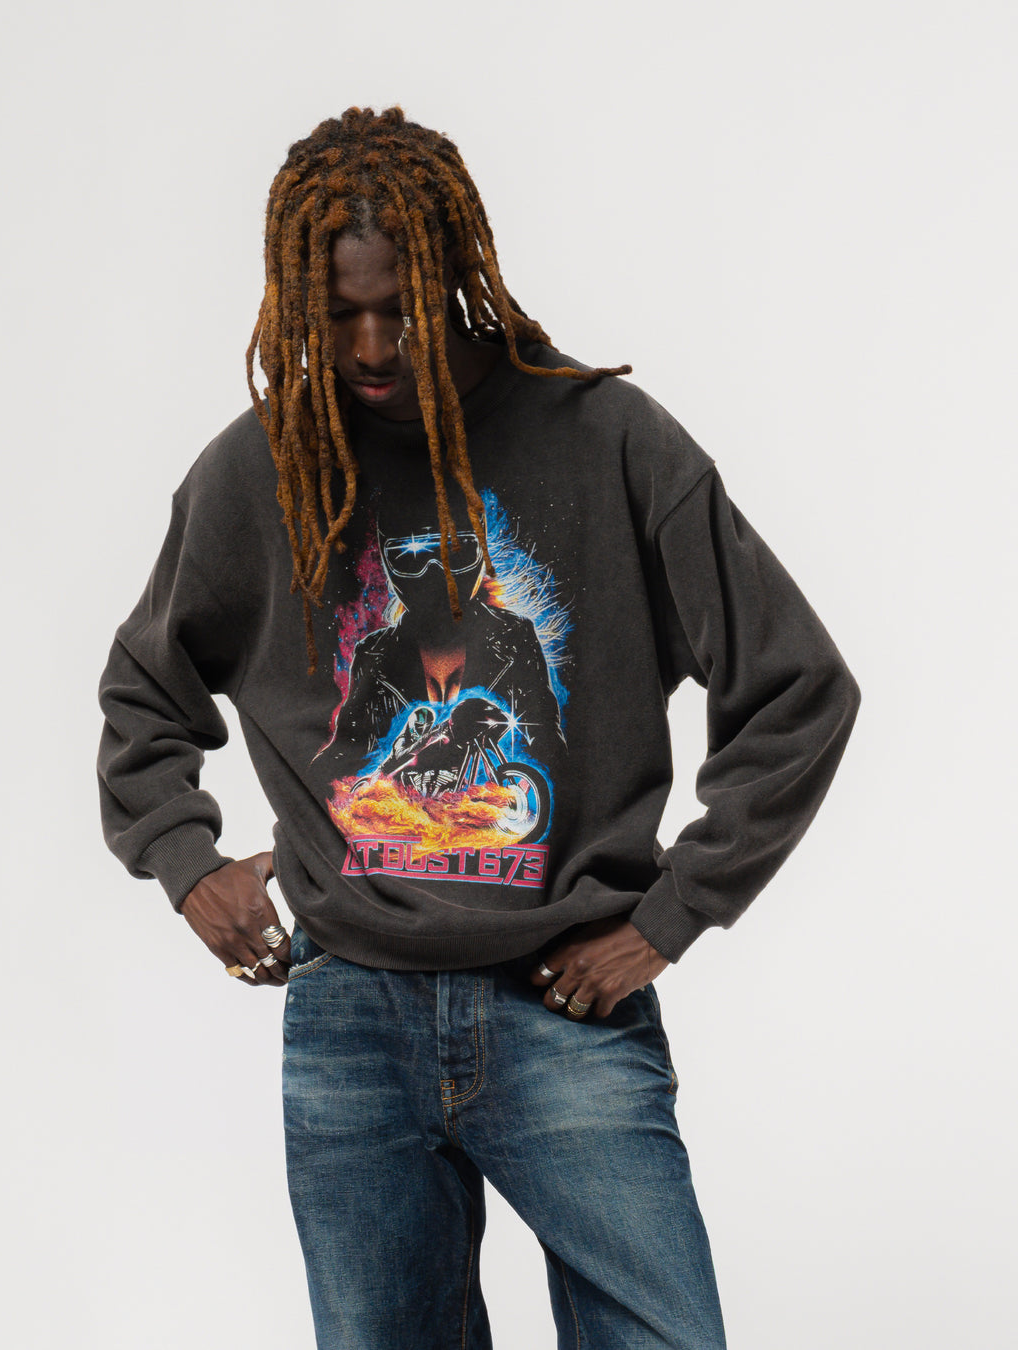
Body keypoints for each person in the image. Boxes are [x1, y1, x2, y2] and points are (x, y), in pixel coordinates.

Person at [97, 106, 860, 1349]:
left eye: (398, 307)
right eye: (338, 315)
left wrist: (670, 917)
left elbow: (798, 687)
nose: (370, 346)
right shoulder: (262, 470)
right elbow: (145, 692)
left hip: (565, 1003)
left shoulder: (609, 440)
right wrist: (185, 859)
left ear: (456, 274)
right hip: (351, 1014)